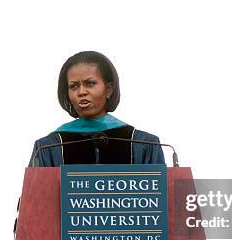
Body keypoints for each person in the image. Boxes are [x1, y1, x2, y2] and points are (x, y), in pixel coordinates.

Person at [28, 51, 165, 167]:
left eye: (90, 83)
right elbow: (36, 197)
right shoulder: (48, 147)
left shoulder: (143, 144)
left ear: (109, 89)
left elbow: (160, 196)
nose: (81, 92)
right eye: (74, 86)